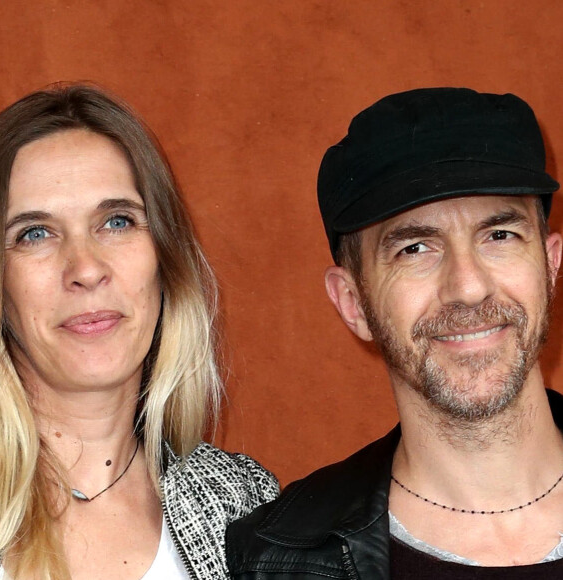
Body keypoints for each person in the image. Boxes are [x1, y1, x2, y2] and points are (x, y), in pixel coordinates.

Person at [226, 88, 563, 578]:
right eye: (415, 249)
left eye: (499, 235)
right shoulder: (278, 562)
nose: (468, 287)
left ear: (551, 266)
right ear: (353, 302)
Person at [0, 83, 278, 580]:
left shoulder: (245, 508)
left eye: (117, 221)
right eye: (35, 233)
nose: (86, 268)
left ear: (165, 259)